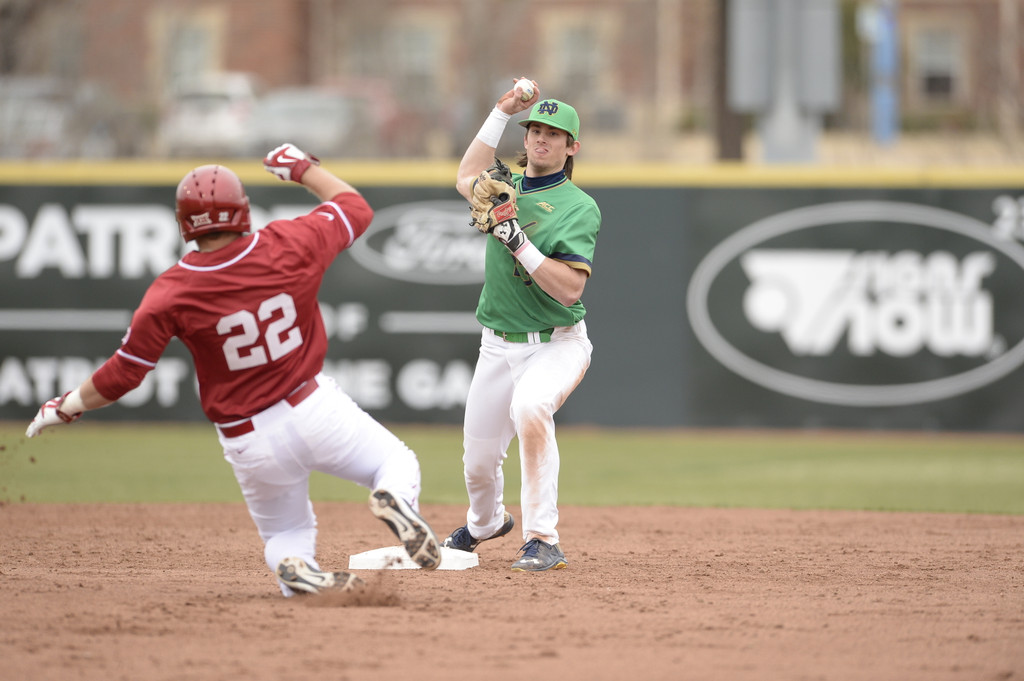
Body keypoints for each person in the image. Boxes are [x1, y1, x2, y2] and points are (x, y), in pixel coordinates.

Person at [25, 143, 441, 595]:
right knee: (396, 462)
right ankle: (396, 500)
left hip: (247, 438)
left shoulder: (170, 292)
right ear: (242, 211)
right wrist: (301, 169)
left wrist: (66, 405)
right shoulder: (289, 242)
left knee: (285, 534)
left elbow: (124, 373)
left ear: (185, 223)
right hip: (313, 407)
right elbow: (354, 208)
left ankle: (296, 567)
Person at [442, 79, 601, 571]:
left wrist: (516, 240)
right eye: (535, 129)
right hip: (496, 345)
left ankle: (542, 538)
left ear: (571, 147)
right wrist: (502, 109)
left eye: (554, 134)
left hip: (556, 343)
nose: (541, 139)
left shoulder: (580, 207)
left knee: (531, 407)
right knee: (477, 464)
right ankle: (486, 523)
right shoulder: (502, 185)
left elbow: (570, 288)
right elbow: (466, 174)